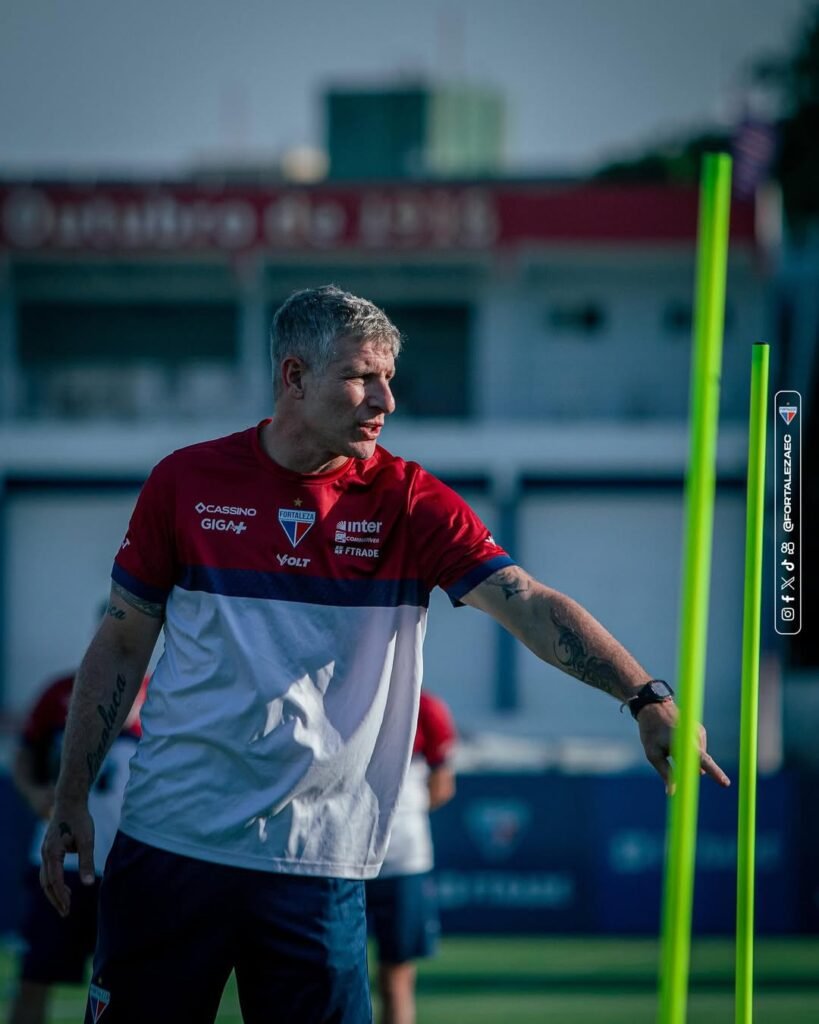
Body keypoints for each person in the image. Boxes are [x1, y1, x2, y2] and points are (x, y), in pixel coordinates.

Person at [39, 285, 729, 1024]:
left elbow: (525, 601)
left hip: (319, 866)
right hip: (170, 847)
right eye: (361, 376)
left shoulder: (410, 500)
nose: (385, 400)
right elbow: (121, 642)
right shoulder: (185, 481)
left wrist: (643, 695)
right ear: (294, 377)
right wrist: (70, 794)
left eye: (389, 378)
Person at [10, 651, 146, 1024]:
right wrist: (34, 793)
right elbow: (24, 753)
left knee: (134, 984)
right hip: (62, 861)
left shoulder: (162, 693)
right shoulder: (61, 692)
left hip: (127, 865)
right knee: (35, 977)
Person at [366, 691, 456, 1024]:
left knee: (397, 976)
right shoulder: (343, 694)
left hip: (404, 860)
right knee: (332, 974)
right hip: (340, 859)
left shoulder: (426, 708)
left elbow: (442, 785)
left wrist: (395, 818)